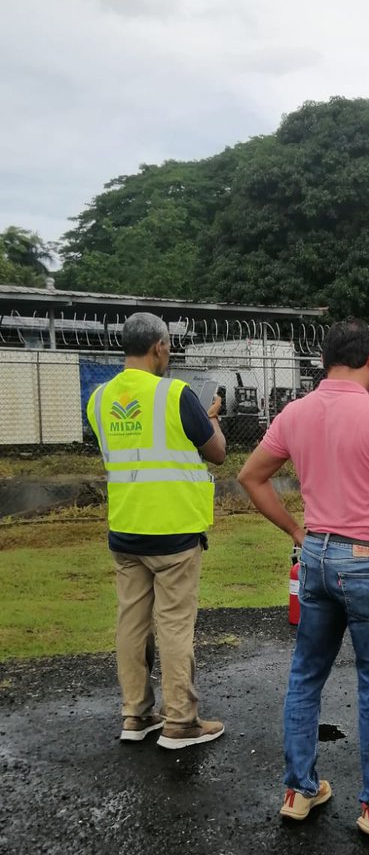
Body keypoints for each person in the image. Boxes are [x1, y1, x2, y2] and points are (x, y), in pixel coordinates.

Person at [237, 318, 369, 836]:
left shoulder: (295, 412)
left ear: (325, 360)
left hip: (316, 557)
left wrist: (296, 531)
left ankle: (299, 790)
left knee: (306, 676)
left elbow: (251, 476)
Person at [86, 311, 227, 746]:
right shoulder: (176, 394)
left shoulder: (98, 399)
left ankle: (135, 715)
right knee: (174, 625)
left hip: (125, 529)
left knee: (131, 623)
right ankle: (180, 721)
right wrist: (212, 418)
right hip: (174, 532)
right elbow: (217, 452)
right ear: (159, 347)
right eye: (168, 347)